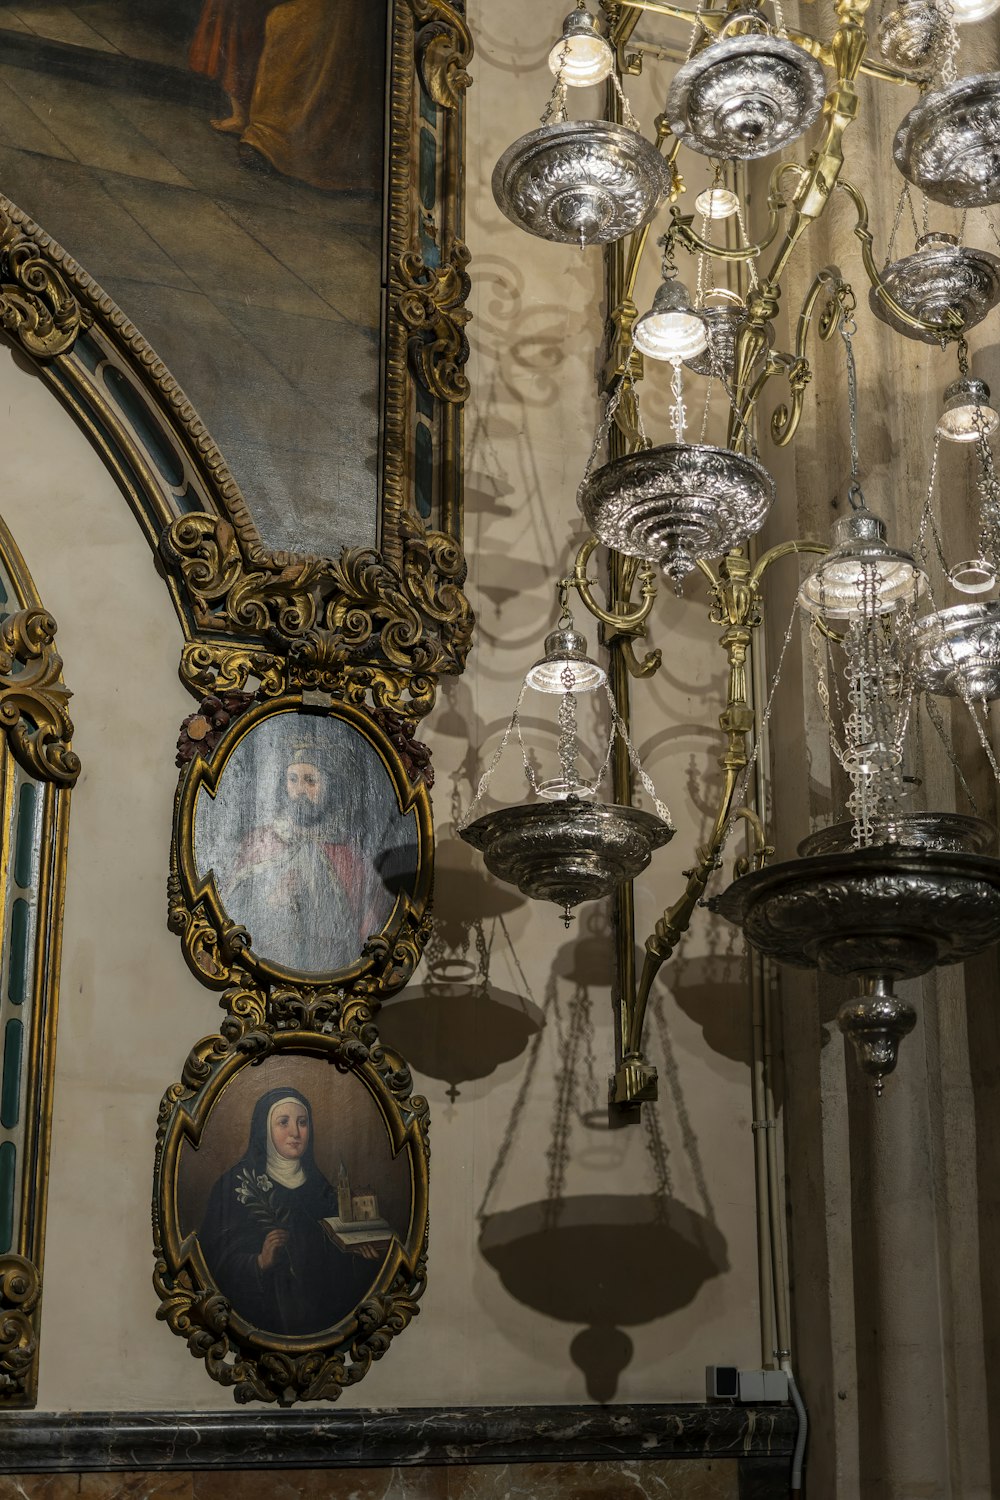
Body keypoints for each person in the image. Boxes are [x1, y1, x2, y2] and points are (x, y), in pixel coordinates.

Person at [199, 1088, 381, 1337]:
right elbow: (212, 1260)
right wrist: (259, 1262)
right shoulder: (233, 1186)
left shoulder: (319, 1186)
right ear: (264, 1128)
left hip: (319, 1319)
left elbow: (331, 1262)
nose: (295, 1133)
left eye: (302, 1122)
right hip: (262, 1319)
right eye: (283, 1122)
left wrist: (356, 1254)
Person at [221, 739, 393, 975]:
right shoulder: (260, 843)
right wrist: (271, 901)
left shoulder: (349, 855)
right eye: (293, 780)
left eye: (310, 780)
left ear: (328, 787)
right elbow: (231, 907)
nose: (299, 790)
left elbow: (369, 925)